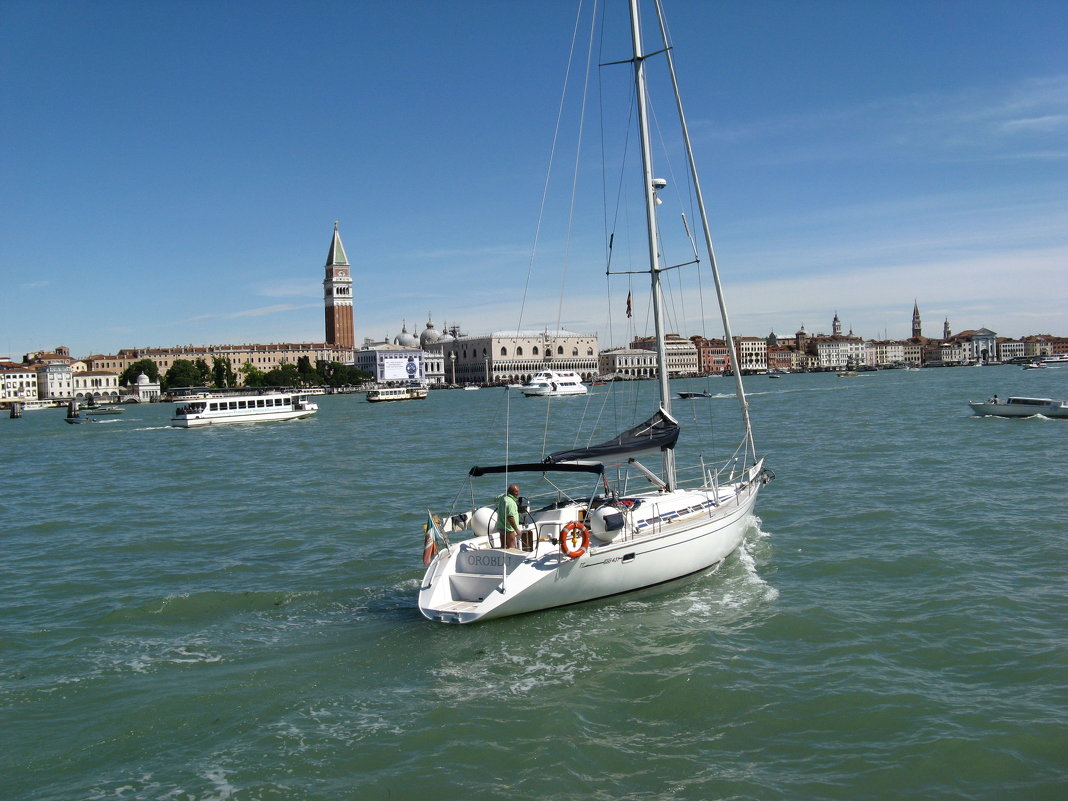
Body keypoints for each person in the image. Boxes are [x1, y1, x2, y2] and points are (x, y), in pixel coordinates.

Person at [496, 483, 520, 549]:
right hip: (509, 529)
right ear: (511, 492)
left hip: (502, 527)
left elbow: (496, 499)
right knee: (511, 547)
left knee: (503, 547)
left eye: (518, 491)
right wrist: (517, 529)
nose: (518, 493)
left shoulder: (502, 498)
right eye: (516, 491)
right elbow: (510, 517)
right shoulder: (511, 502)